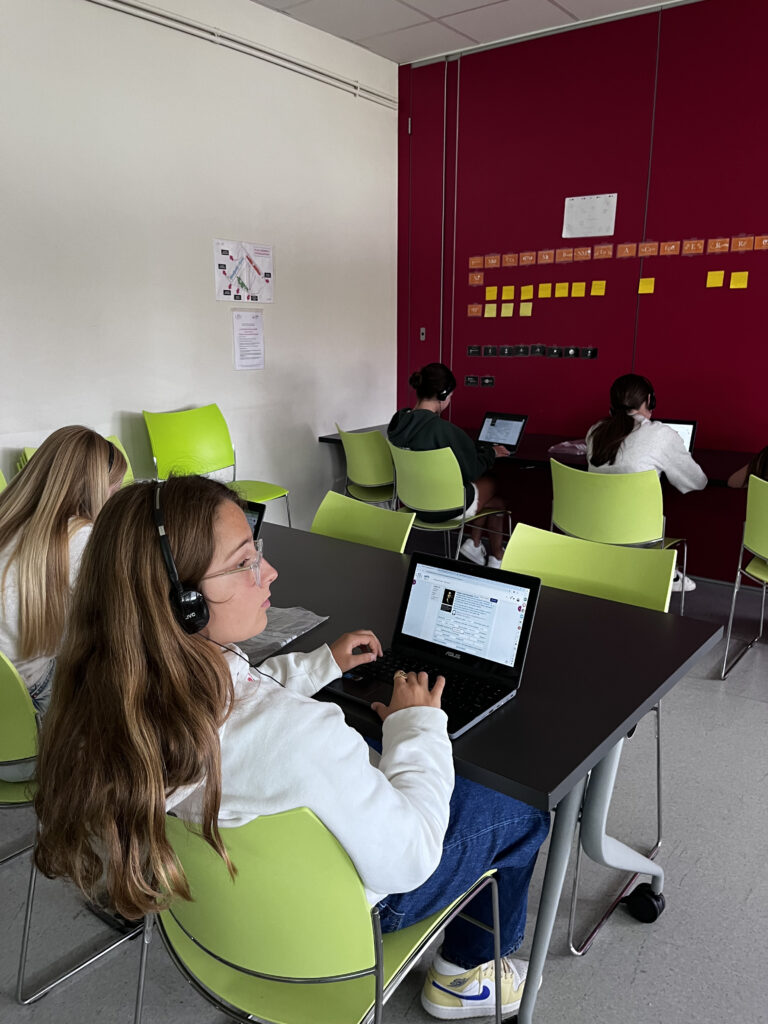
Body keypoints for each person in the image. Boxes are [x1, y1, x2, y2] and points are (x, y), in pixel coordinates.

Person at [33, 476, 549, 1020]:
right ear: (185, 603)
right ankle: (462, 976)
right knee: (521, 810)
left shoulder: (111, 694)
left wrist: (321, 664)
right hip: (341, 923)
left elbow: (240, 692)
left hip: (217, 924)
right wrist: (417, 724)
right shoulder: (304, 736)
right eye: (244, 562)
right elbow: (413, 858)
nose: (269, 571)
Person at [0, 426, 126, 719]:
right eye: (115, 488)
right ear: (96, 487)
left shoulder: (8, 515)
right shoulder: (81, 537)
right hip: (26, 691)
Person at [586, 373, 707, 592]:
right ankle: (663, 572)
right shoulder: (661, 434)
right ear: (649, 400)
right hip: (639, 536)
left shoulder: (595, 431)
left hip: (592, 528)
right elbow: (697, 482)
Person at [388, 362, 510, 568]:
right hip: (444, 508)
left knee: (495, 502)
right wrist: (491, 453)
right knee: (493, 484)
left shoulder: (398, 422)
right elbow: (471, 470)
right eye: (451, 396)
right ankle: (495, 556)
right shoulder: (444, 430)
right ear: (443, 395)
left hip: (412, 502)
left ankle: (475, 545)